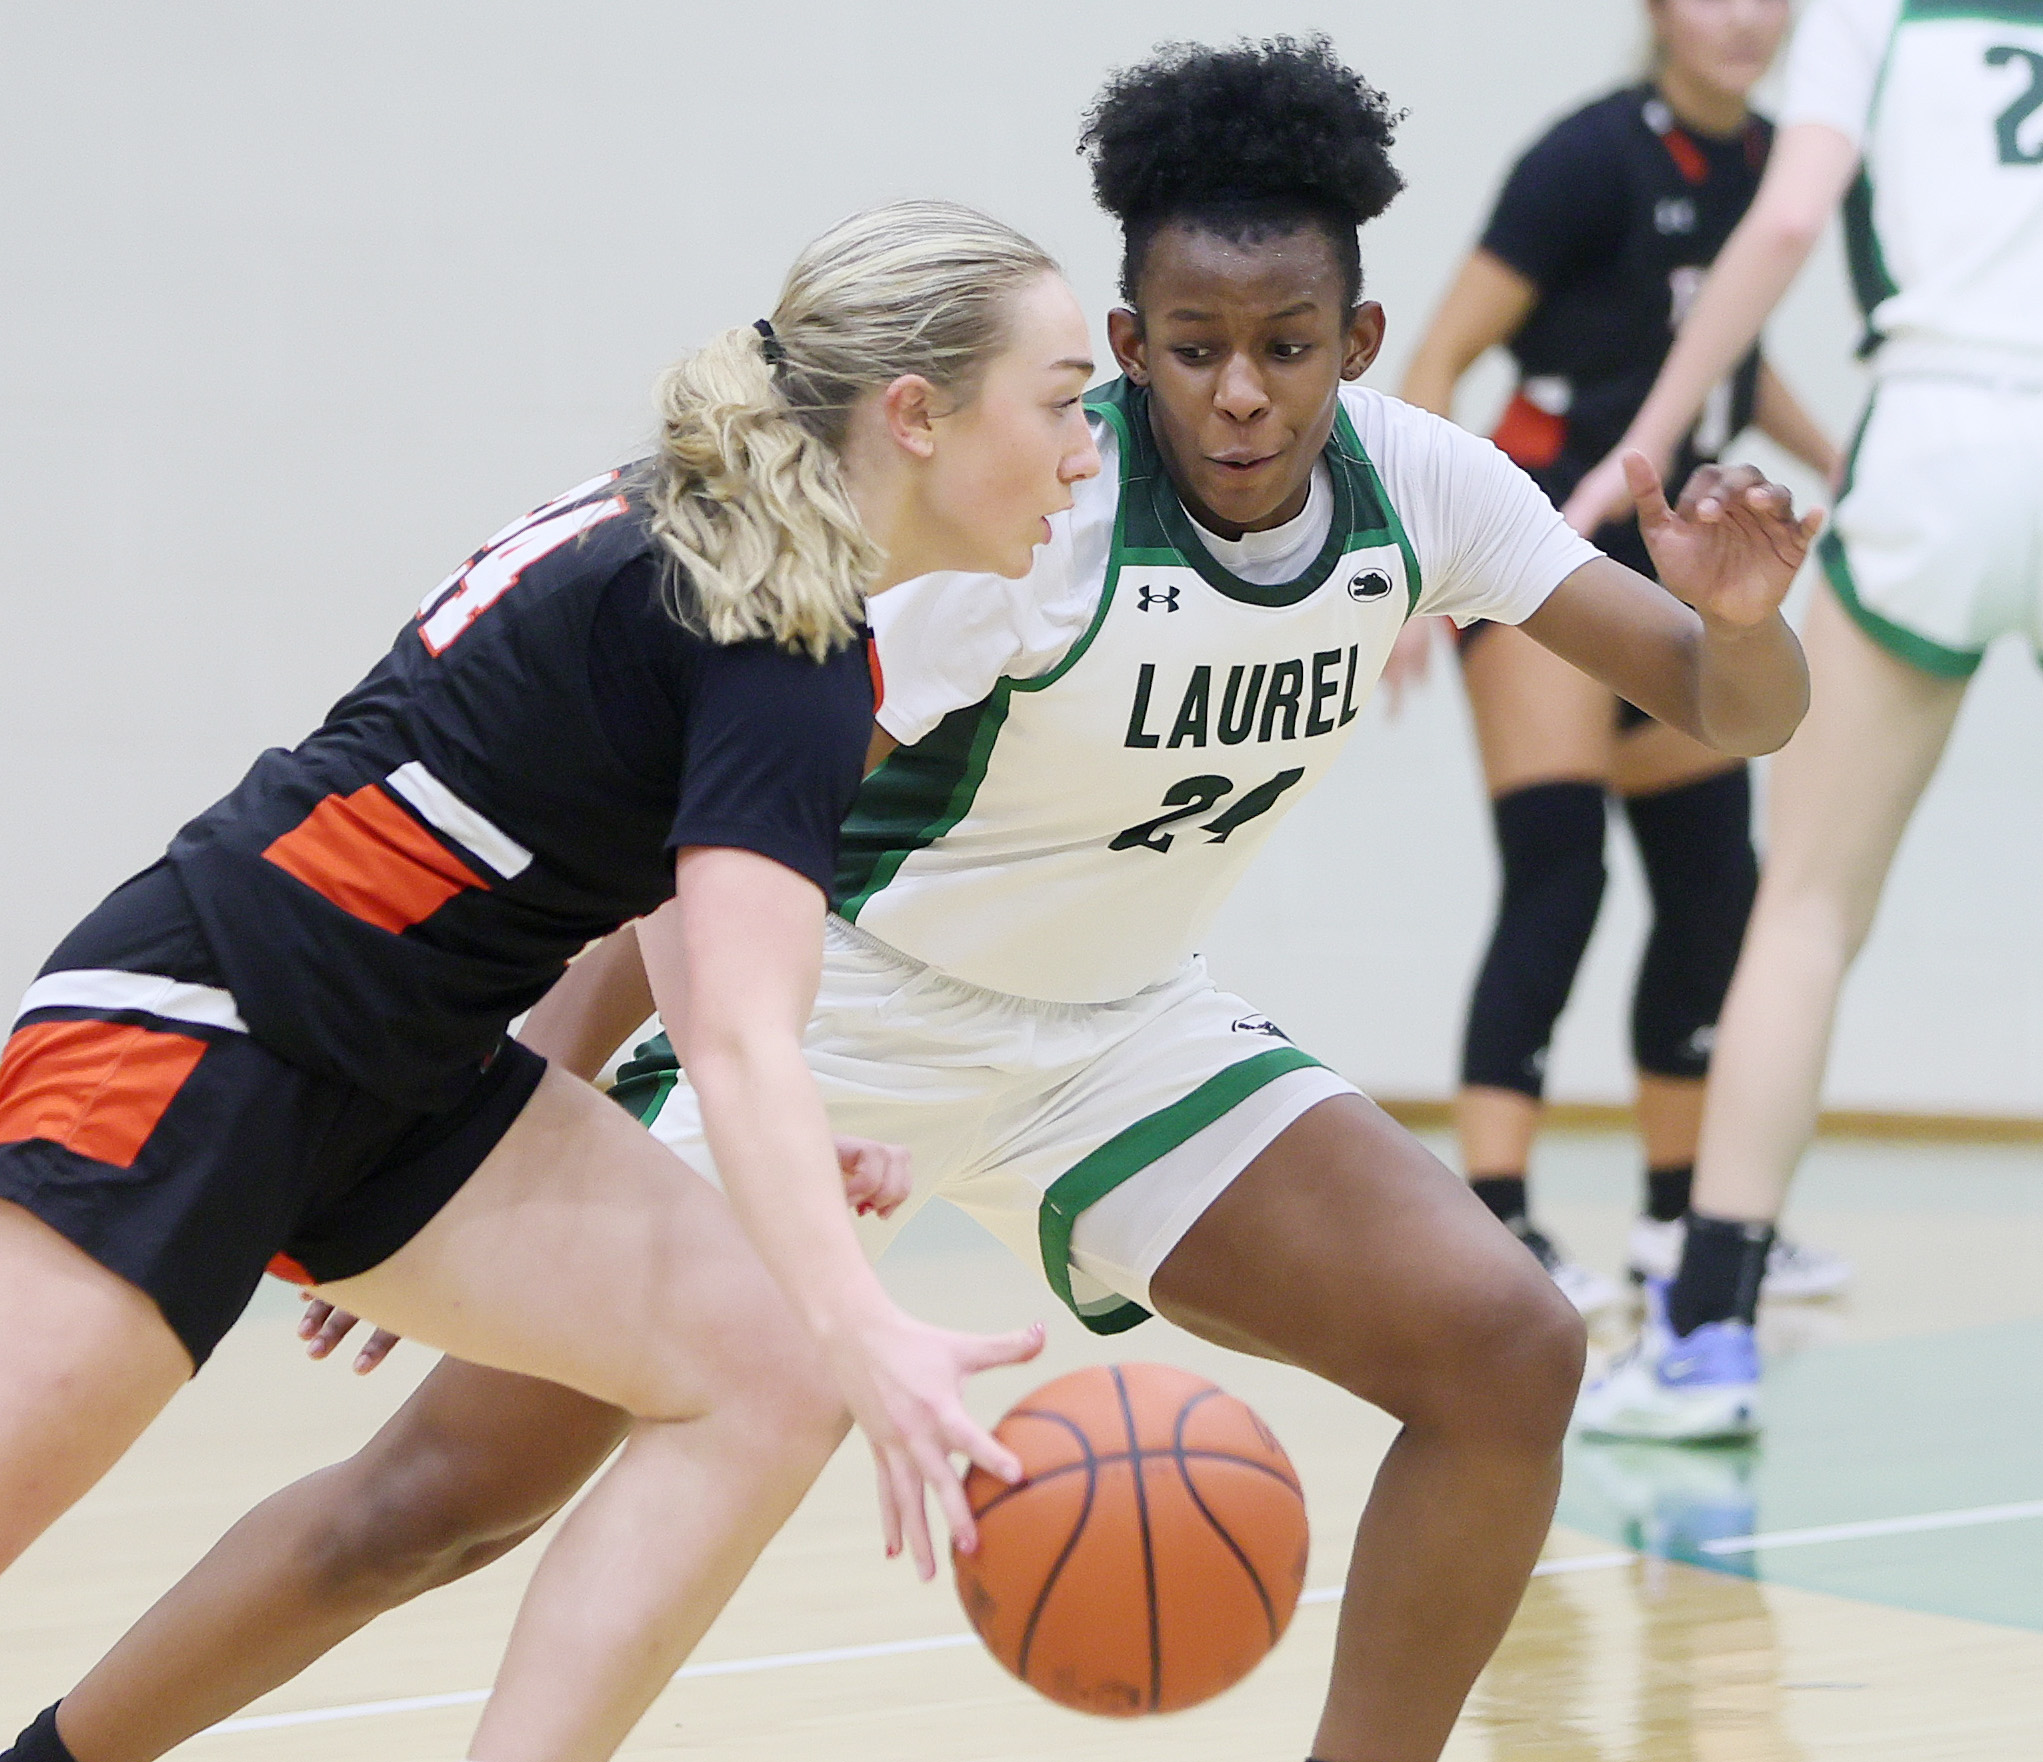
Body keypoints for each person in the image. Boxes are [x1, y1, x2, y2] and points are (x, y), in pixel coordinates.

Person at [2, 38, 1820, 1762]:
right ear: (1125, 342)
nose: (1241, 388)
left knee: (1509, 1345)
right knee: (437, 1499)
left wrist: (1745, 626)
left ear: (1356, 336)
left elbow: (1720, 703)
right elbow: (696, 893)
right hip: (842, 1011)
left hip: (1119, 1027)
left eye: (1285, 344)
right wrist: (512, 1119)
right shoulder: (1001, 525)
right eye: (1192, 347)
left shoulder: (1421, 485)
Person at [0, 200, 1098, 1762]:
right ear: (915, 415)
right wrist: (864, 1312)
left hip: (407, 1073)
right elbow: (731, 1028)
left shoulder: (737, 548)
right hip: (207, 1034)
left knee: (762, 1376)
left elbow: (680, 928)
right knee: (812, 1350)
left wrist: (786, 1165)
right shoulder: (774, 629)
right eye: (1061, 401)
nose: (1083, 452)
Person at [1569, 0, 2043, 1440]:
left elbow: (1780, 227)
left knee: (1808, 911)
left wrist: (1642, 439)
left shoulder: (1870, 10)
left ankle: (1709, 1332)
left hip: (1938, 433)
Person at [1396, 0, 1845, 1316]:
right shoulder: (1583, 160)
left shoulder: (1774, 164)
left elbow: (1727, 363)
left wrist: (1843, 464)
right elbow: (1437, 353)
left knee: (1716, 888)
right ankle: (1498, 1217)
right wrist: (1419, 564)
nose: (1747, 18)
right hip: (1542, 554)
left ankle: (1675, 1214)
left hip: (1683, 561)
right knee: (1562, 876)